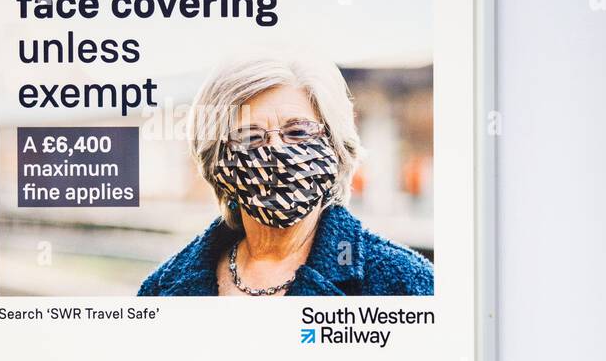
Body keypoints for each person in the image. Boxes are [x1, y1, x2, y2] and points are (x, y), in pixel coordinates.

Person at [138, 57, 434, 297]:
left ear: (335, 146)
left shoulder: (406, 285)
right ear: (218, 159)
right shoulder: (163, 291)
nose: (277, 152)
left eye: (298, 132)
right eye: (250, 136)